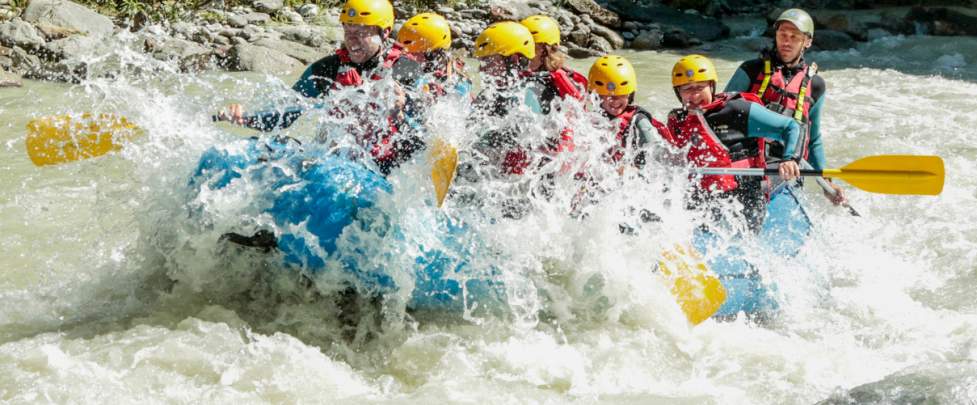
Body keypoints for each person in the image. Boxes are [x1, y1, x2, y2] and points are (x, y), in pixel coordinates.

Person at [218, 0, 422, 176]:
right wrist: (245, 118)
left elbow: (425, 117)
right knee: (267, 150)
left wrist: (406, 103)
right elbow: (284, 115)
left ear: (384, 33)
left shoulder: (405, 68)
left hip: (387, 165)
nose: (351, 40)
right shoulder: (327, 69)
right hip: (338, 159)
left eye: (361, 32)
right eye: (347, 30)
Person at [664, 54, 802, 232]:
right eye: (687, 89)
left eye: (700, 87)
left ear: (712, 86)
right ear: (678, 93)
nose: (695, 95)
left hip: (745, 197)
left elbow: (790, 127)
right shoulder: (678, 121)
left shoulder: (737, 110)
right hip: (703, 196)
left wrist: (790, 158)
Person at [723, 8, 845, 205]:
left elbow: (812, 139)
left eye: (794, 37)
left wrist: (827, 184)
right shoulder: (751, 70)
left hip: (788, 171)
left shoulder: (815, 86)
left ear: (807, 41)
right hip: (747, 165)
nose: (786, 42)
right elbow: (721, 116)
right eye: (782, 35)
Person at [586, 54, 669, 171]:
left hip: (637, 178)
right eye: (607, 96)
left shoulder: (639, 120)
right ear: (596, 96)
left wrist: (633, 170)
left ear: (630, 95)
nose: (615, 100)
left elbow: (659, 156)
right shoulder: (592, 119)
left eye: (621, 94)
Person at [519, 15, 589, 112]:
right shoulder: (516, 69)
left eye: (531, 45)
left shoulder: (560, 77)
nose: (524, 51)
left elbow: (579, 113)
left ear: (546, 49)